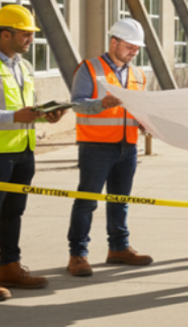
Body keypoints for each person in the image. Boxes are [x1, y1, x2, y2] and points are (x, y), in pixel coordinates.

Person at [0, 4, 67, 301]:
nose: (30, 39)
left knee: (13, 213)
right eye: (25, 34)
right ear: (5, 34)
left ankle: (9, 266)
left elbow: (24, 109)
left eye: (31, 34)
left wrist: (46, 115)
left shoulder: (23, 66)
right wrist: (12, 118)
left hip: (23, 150)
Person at [65, 18, 154, 278]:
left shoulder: (138, 74)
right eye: (129, 46)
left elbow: (137, 110)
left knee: (120, 201)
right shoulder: (89, 68)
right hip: (96, 146)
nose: (133, 52)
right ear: (113, 42)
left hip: (128, 146)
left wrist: (147, 122)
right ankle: (78, 254)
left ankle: (119, 248)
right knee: (87, 201)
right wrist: (102, 104)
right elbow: (78, 104)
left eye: (137, 48)